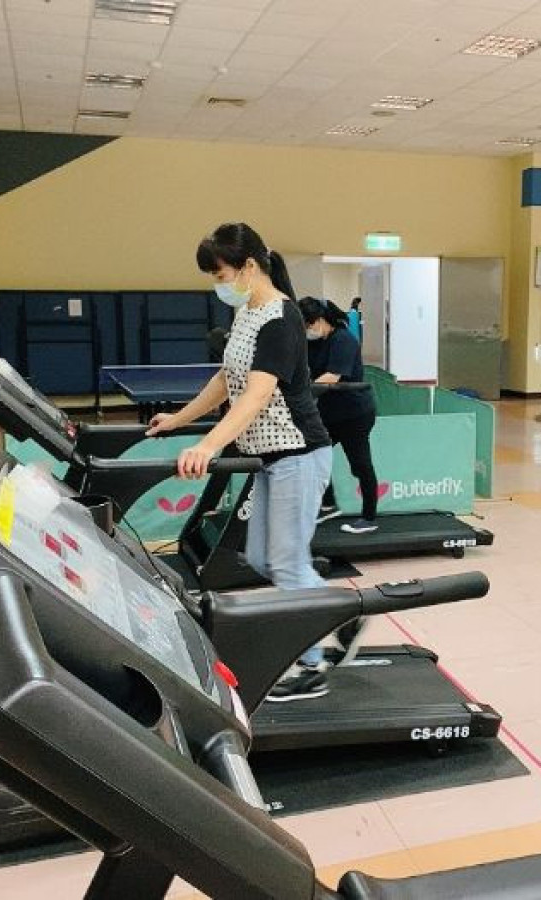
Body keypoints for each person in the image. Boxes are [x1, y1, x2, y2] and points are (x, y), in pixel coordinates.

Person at [146, 222, 333, 702]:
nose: (218, 283)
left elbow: (256, 395)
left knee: (287, 563)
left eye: (221, 273)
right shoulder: (248, 312)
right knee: (261, 558)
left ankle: (313, 665)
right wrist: (178, 420)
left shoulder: (280, 317)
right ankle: (331, 614)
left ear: (249, 266)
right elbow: (226, 380)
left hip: (298, 453)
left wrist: (207, 446)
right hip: (266, 457)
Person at [297, 296, 380, 535]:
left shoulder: (343, 339)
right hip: (329, 412)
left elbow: (332, 377)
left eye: (308, 325)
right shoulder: (314, 341)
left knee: (360, 464)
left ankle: (369, 517)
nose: (306, 331)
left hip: (355, 414)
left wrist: (301, 393)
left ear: (321, 320)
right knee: (311, 454)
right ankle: (328, 504)